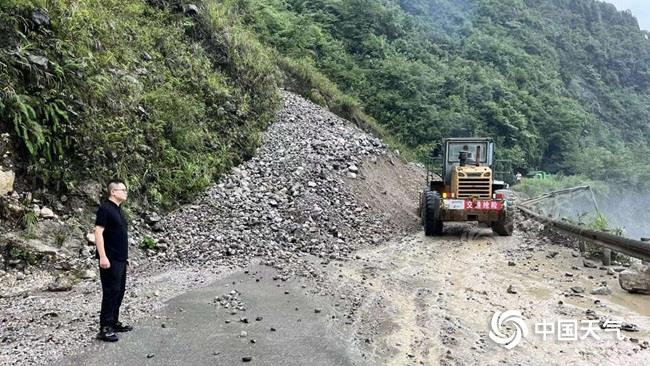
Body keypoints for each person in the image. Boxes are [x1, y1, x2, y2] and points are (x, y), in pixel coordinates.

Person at [94, 179, 133, 342]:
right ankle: (105, 328)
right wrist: (103, 256)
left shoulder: (118, 210)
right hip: (110, 258)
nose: (125, 192)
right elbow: (98, 233)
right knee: (110, 292)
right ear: (113, 192)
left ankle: (114, 321)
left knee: (119, 291)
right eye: (122, 190)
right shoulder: (105, 209)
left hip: (120, 259)